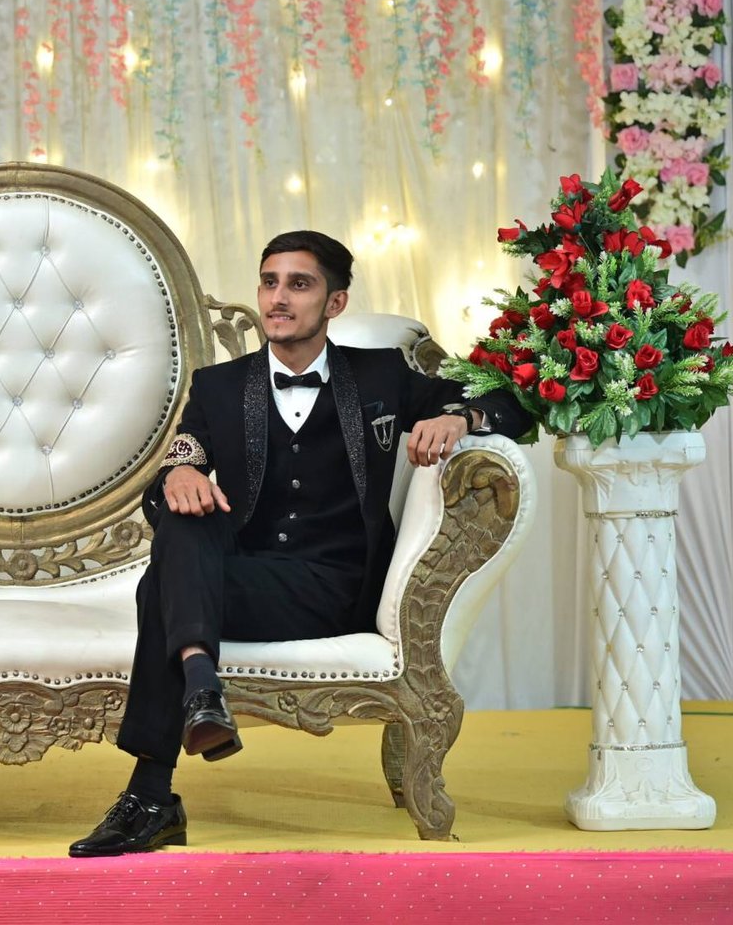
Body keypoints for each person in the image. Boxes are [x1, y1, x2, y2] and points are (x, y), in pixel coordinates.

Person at [68, 230, 531, 857]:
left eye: (299, 284)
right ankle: (199, 691)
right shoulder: (218, 385)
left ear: (335, 303)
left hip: (333, 587)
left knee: (160, 588)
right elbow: (180, 461)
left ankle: (153, 795)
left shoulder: (382, 375)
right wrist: (179, 475)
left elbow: (509, 404)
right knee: (181, 512)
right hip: (245, 579)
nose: (278, 298)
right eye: (269, 282)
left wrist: (459, 417)